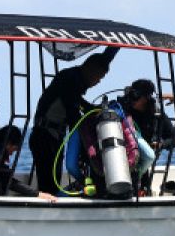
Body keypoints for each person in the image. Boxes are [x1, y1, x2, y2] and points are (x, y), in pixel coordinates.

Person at [29, 46, 119, 192]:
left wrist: (116, 45)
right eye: (99, 77)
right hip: (44, 137)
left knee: (54, 179)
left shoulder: (78, 77)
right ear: (91, 70)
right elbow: (74, 114)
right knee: (50, 184)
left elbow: (104, 59)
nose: (99, 82)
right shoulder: (70, 80)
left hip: (55, 135)